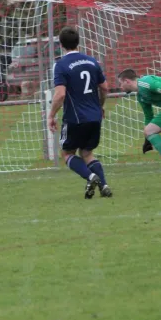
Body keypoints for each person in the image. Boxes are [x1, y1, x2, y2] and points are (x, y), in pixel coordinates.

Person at [47, 27, 112, 199]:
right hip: (94, 116)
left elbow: (60, 94)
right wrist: (100, 106)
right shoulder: (92, 61)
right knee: (87, 152)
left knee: (68, 153)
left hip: (75, 118)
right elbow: (105, 87)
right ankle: (104, 185)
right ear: (78, 42)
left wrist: (51, 115)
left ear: (61, 45)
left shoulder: (61, 65)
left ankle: (91, 177)